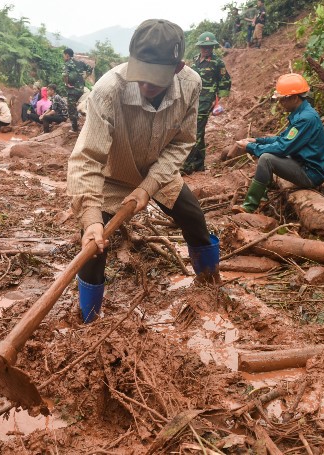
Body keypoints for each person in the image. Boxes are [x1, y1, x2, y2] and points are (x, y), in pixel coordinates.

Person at [66, 19, 220, 323]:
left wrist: (147, 187)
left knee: (194, 218)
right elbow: (87, 158)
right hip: (113, 175)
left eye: (154, 79)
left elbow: (182, 142)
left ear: (177, 68)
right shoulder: (108, 90)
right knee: (93, 247)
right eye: (141, 76)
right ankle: (89, 321)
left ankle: (212, 287)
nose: (145, 85)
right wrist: (91, 217)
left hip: (158, 172)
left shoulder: (191, 84)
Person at [232, 73, 324, 214]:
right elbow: (283, 138)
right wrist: (257, 141)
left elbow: (283, 148)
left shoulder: (306, 119)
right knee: (266, 152)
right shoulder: (301, 113)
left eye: (283, 100)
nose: (280, 103)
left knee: (266, 158)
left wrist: (251, 147)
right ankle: (263, 197)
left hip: (311, 173)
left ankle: (249, 206)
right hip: (301, 163)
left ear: (295, 98)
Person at [181, 32, 231, 175]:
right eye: (204, 47)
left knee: (195, 131)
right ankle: (199, 164)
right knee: (198, 132)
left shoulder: (217, 62)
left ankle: (188, 165)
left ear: (213, 47)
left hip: (206, 101)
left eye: (209, 47)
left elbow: (225, 81)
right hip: (193, 99)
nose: (206, 49)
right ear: (199, 47)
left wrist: (219, 102)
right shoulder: (195, 59)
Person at [62, 48, 93, 133]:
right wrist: (84, 78)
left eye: (64, 55)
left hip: (72, 90)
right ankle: (79, 123)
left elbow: (65, 75)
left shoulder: (67, 63)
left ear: (67, 55)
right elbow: (90, 69)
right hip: (80, 89)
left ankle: (74, 128)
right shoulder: (80, 63)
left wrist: (66, 83)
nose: (63, 57)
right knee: (76, 107)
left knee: (71, 108)